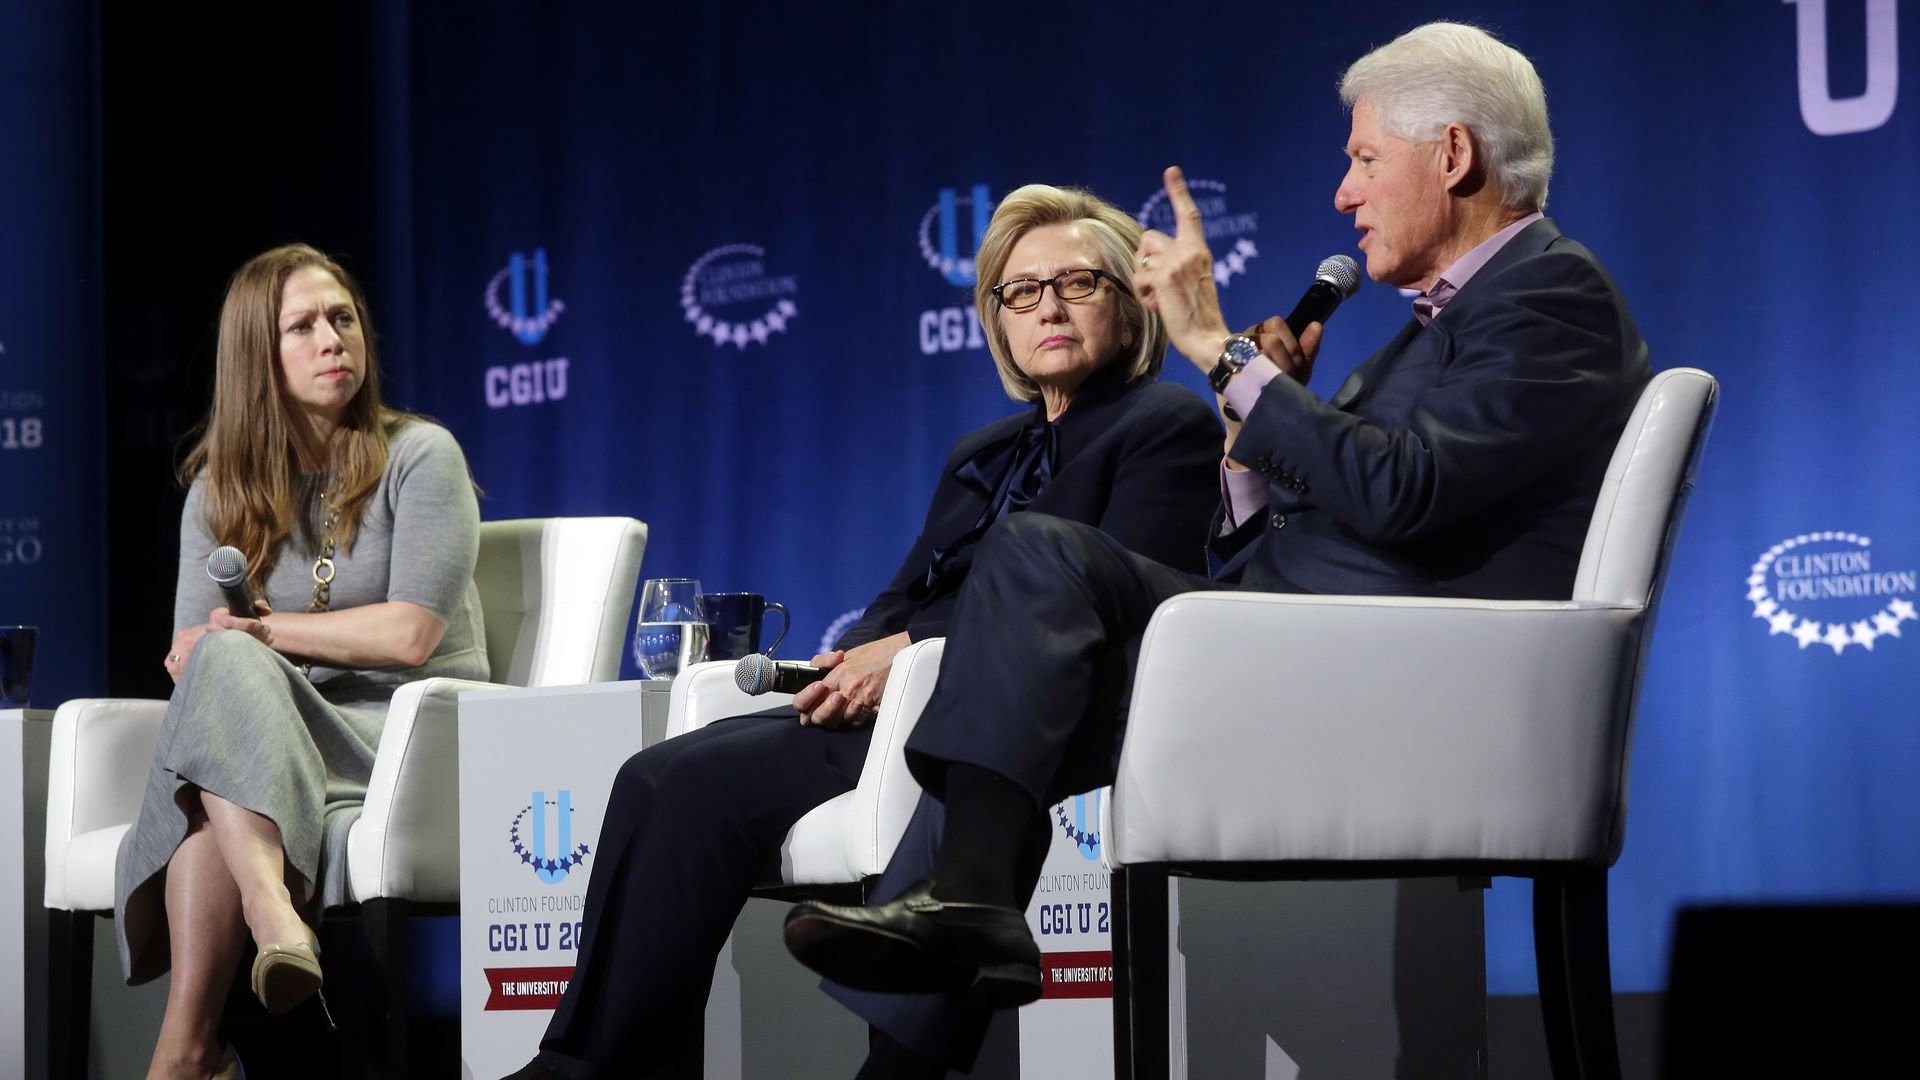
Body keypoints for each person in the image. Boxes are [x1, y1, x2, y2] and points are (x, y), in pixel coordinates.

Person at [786, 20, 1655, 1074]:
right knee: (1008, 663)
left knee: (1040, 569)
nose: (1345, 193)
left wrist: (1224, 352)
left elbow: (1406, 494)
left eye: (1365, 159)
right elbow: (1332, 510)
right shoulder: (1434, 330)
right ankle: (958, 925)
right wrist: (1255, 441)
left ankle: (966, 907)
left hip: (1398, 679)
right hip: (1299, 638)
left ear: (1456, 156)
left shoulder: (1549, 298)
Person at [506, 184, 1223, 1079]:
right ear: (995, 320)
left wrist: (913, 655)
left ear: (1129, 301)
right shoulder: (982, 452)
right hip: (897, 702)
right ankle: (588, 1059)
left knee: (700, 785)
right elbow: (898, 598)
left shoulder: (1164, 425)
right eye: (1020, 291)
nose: (1047, 306)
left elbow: (1110, 600)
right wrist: (854, 662)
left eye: (1077, 284)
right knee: (659, 776)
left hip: (1007, 710)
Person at [115, 244, 487, 1080]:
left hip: (405, 738)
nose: (333, 340)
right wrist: (214, 648)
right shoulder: (219, 489)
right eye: (304, 326)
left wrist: (259, 636)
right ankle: (254, 952)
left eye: (343, 318)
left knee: (218, 740)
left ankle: (198, 1032)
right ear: (258, 355)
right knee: (221, 686)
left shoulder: (421, 456)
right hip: (275, 741)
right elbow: (191, 650)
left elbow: (411, 637)